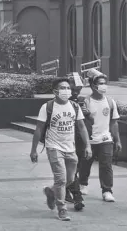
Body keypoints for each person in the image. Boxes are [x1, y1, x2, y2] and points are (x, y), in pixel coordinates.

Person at [29, 77, 92, 221]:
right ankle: (62, 209)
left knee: (69, 179)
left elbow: (82, 127)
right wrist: (33, 150)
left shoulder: (75, 106)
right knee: (61, 179)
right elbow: (38, 129)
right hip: (54, 147)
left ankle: (51, 192)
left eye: (68, 88)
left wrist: (88, 145)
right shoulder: (47, 107)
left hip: (70, 148)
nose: (66, 90)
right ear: (55, 91)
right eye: (62, 88)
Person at [76, 71, 122, 203]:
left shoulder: (110, 101)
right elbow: (81, 123)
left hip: (105, 139)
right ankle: (83, 183)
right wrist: (86, 115)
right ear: (93, 86)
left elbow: (114, 122)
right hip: (89, 140)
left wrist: (117, 140)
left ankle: (107, 190)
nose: (103, 86)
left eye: (104, 83)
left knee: (106, 165)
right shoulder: (86, 101)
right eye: (100, 84)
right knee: (85, 164)